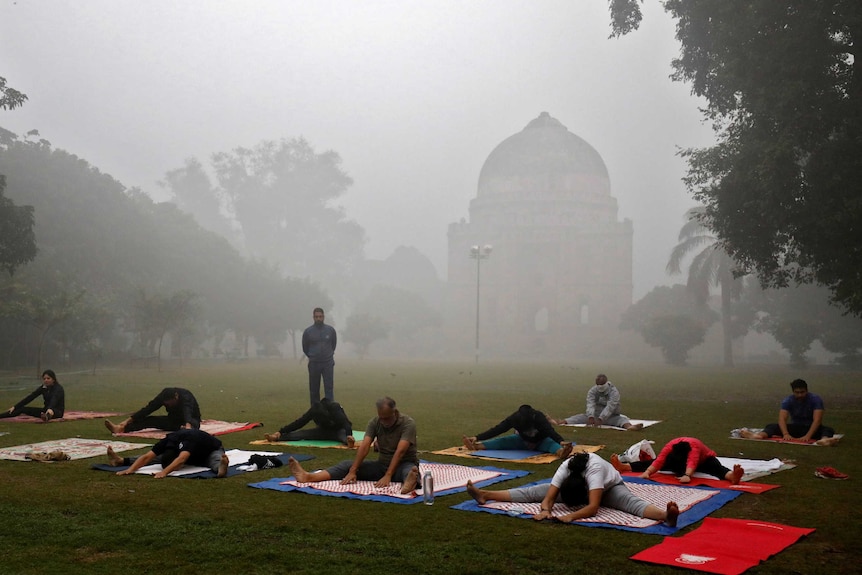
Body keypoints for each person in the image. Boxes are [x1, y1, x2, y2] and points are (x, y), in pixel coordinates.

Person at [466, 452, 679, 526]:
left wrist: (570, 517)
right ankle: (485, 495)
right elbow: (548, 497)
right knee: (534, 492)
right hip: (582, 487)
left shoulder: (594, 472)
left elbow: (593, 507)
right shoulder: (566, 468)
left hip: (611, 487)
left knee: (630, 503)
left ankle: (665, 515)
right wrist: (546, 510)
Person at [287, 396, 419, 494]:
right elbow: (365, 446)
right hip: (382, 466)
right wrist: (353, 470)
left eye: (387, 418)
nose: (384, 422)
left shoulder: (407, 423)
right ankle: (309, 477)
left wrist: (389, 475)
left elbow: (400, 451)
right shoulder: (375, 422)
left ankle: (410, 482)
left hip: (403, 464)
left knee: (409, 471)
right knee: (346, 465)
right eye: (381, 418)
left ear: (395, 412)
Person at [740, 379, 838, 445]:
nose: (800, 395)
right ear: (793, 392)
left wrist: (808, 436)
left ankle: (825, 440)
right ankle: (757, 436)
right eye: (797, 392)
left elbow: (817, 420)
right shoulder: (788, 400)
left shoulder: (815, 399)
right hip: (795, 427)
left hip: (810, 428)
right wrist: (786, 434)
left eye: (802, 392)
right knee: (772, 426)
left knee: (828, 429)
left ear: (807, 391)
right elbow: (782, 419)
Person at [611, 436, 744, 484]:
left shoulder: (694, 447)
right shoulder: (671, 446)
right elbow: (659, 460)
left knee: (715, 466)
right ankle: (625, 467)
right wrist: (648, 472)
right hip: (678, 462)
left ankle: (732, 476)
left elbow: (692, 461)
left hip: (703, 461)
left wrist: (687, 475)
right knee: (656, 462)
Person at [106, 428, 229, 478]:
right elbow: (147, 457)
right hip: (188, 453)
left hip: (209, 449)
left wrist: (164, 472)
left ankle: (220, 469)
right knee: (158, 458)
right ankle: (121, 461)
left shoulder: (187, 442)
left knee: (214, 459)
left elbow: (181, 459)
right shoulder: (167, 441)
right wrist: (131, 469)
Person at [462, 404, 573, 459]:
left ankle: (562, 452)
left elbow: (550, 431)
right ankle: (475, 445)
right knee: (502, 441)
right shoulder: (514, 418)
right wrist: (477, 437)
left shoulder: (538, 417)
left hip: (541, 441)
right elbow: (498, 429)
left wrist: (560, 441)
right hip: (522, 441)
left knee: (552, 445)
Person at [552, 374, 642, 430]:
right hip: (595, 414)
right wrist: (591, 416)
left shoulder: (614, 392)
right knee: (579, 418)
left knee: (621, 420)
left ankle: (630, 427)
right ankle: (561, 422)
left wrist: (602, 418)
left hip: (611, 415)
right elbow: (590, 403)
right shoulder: (593, 391)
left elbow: (611, 406)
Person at [104, 387, 201, 434]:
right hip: (173, 421)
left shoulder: (185, 396)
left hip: (192, 420)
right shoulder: (163, 397)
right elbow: (149, 409)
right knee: (150, 420)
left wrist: (188, 426)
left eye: (170, 403)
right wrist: (127, 421)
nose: (168, 405)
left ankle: (186, 430)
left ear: (176, 397)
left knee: (191, 426)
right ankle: (121, 429)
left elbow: (187, 410)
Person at [264, 397, 355, 447]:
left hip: (339, 430)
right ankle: (276, 438)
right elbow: (300, 422)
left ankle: (349, 442)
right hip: (322, 431)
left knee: (343, 437)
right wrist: (281, 431)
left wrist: (349, 435)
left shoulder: (334, 408)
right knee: (301, 434)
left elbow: (346, 424)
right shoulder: (314, 410)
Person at [302, 307, 337, 405]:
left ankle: (331, 411)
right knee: (314, 389)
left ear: (323, 317)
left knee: (329, 388)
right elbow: (305, 347)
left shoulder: (330, 330)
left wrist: (328, 355)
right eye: (316, 317)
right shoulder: (308, 332)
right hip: (314, 364)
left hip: (327, 363)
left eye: (320, 316)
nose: (318, 319)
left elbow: (333, 344)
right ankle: (315, 412)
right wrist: (313, 356)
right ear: (313, 317)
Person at [0, 369, 65, 422]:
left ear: (53, 379)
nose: (46, 380)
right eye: (44, 379)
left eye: (48, 378)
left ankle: (47, 417)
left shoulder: (58, 389)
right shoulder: (43, 387)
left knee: (51, 411)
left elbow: (54, 399)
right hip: (45, 410)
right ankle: (1, 416)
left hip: (56, 411)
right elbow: (31, 397)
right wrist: (15, 407)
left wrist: (50, 408)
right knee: (22, 409)